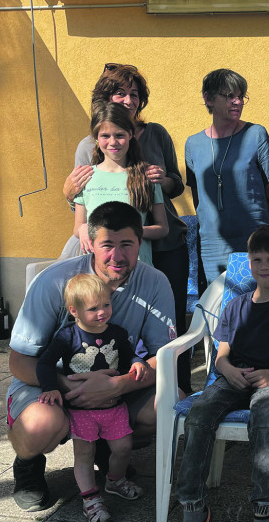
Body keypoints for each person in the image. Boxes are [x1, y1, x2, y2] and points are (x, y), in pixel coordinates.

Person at [6, 202, 178, 512]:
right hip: (50, 383)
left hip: (116, 384)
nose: (117, 255)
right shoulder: (54, 282)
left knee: (170, 402)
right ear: (91, 245)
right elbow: (19, 362)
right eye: (107, 245)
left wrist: (119, 386)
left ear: (141, 242)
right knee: (40, 426)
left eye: (127, 244)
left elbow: (164, 358)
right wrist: (68, 387)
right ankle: (28, 464)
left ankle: (102, 445)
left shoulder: (155, 283)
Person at [175, 225, 269, 522]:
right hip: (234, 377)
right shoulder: (235, 306)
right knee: (198, 415)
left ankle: (264, 510)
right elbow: (221, 357)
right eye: (257, 260)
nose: (264, 266)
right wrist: (228, 371)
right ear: (249, 263)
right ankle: (192, 504)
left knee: (264, 422)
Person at [62, 62, 191, 396]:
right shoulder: (87, 145)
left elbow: (175, 185)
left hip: (163, 243)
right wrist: (67, 194)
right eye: (121, 93)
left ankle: (177, 388)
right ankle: (120, 384)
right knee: (120, 315)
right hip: (114, 252)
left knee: (169, 317)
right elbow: (86, 207)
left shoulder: (157, 134)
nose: (129, 100)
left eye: (135, 94)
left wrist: (161, 180)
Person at [35, 273, 149, 522]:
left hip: (114, 406)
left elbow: (130, 354)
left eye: (106, 305)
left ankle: (114, 480)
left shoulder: (117, 333)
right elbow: (44, 363)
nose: (102, 312)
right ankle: (90, 499)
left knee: (123, 447)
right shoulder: (67, 337)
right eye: (93, 308)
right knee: (84, 454)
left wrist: (138, 362)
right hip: (81, 410)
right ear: (74, 311)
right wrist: (51, 387)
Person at [185, 68, 269, 284]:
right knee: (219, 307)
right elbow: (197, 194)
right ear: (208, 98)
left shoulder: (256, 134)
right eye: (229, 96)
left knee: (257, 303)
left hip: (255, 239)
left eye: (240, 96)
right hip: (212, 243)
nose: (237, 102)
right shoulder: (193, 144)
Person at [74, 102, 167, 265]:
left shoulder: (146, 176)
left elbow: (162, 228)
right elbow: (78, 227)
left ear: (130, 135)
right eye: (105, 136)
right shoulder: (86, 176)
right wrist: (82, 229)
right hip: (97, 272)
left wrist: (130, 232)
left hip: (137, 267)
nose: (113, 142)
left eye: (119, 135)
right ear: (96, 137)